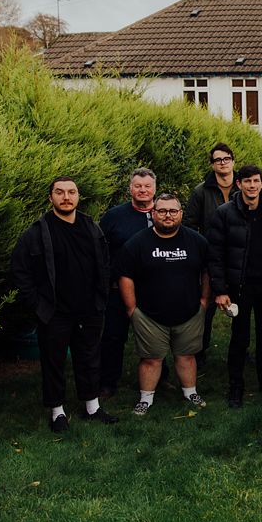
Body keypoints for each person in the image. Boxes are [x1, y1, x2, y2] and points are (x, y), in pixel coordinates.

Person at [9, 176, 118, 431]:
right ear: (51, 198)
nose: (66, 197)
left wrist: (100, 296)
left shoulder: (91, 227)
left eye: (71, 192)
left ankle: (93, 407)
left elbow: (104, 262)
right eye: (60, 193)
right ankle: (57, 413)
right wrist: (37, 303)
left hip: (89, 310)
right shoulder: (37, 232)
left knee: (90, 359)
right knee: (53, 362)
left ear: (78, 197)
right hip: (54, 312)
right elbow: (19, 271)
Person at [115, 194, 211, 415]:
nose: (168, 215)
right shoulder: (138, 242)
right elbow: (124, 275)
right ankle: (145, 399)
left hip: (189, 312)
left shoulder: (196, 241)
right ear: (153, 213)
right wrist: (132, 309)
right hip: (149, 315)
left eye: (173, 211)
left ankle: (190, 392)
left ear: (181, 214)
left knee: (187, 356)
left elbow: (208, 270)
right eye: (162, 211)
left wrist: (204, 301)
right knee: (151, 359)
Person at [207, 164, 262, 407]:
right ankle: (235, 386)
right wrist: (220, 290)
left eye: (256, 181)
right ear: (238, 184)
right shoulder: (225, 213)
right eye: (246, 181)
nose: (252, 185)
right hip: (240, 286)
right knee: (239, 337)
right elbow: (216, 254)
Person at [98, 168, 168, 398]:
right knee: (113, 336)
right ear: (130, 189)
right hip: (119, 290)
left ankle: (161, 378)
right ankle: (108, 383)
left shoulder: (165, 214)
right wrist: (109, 281)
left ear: (155, 189)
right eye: (138, 186)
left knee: (157, 335)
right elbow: (100, 251)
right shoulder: (113, 216)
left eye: (147, 186)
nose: (143, 190)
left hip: (154, 290)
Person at [183, 143, 239, 369]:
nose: (223, 163)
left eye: (226, 159)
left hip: (238, 257)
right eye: (218, 160)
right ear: (212, 164)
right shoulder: (200, 192)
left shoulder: (243, 187)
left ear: (233, 161)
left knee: (239, 306)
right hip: (209, 259)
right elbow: (189, 226)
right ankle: (199, 350)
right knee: (205, 308)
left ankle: (240, 350)